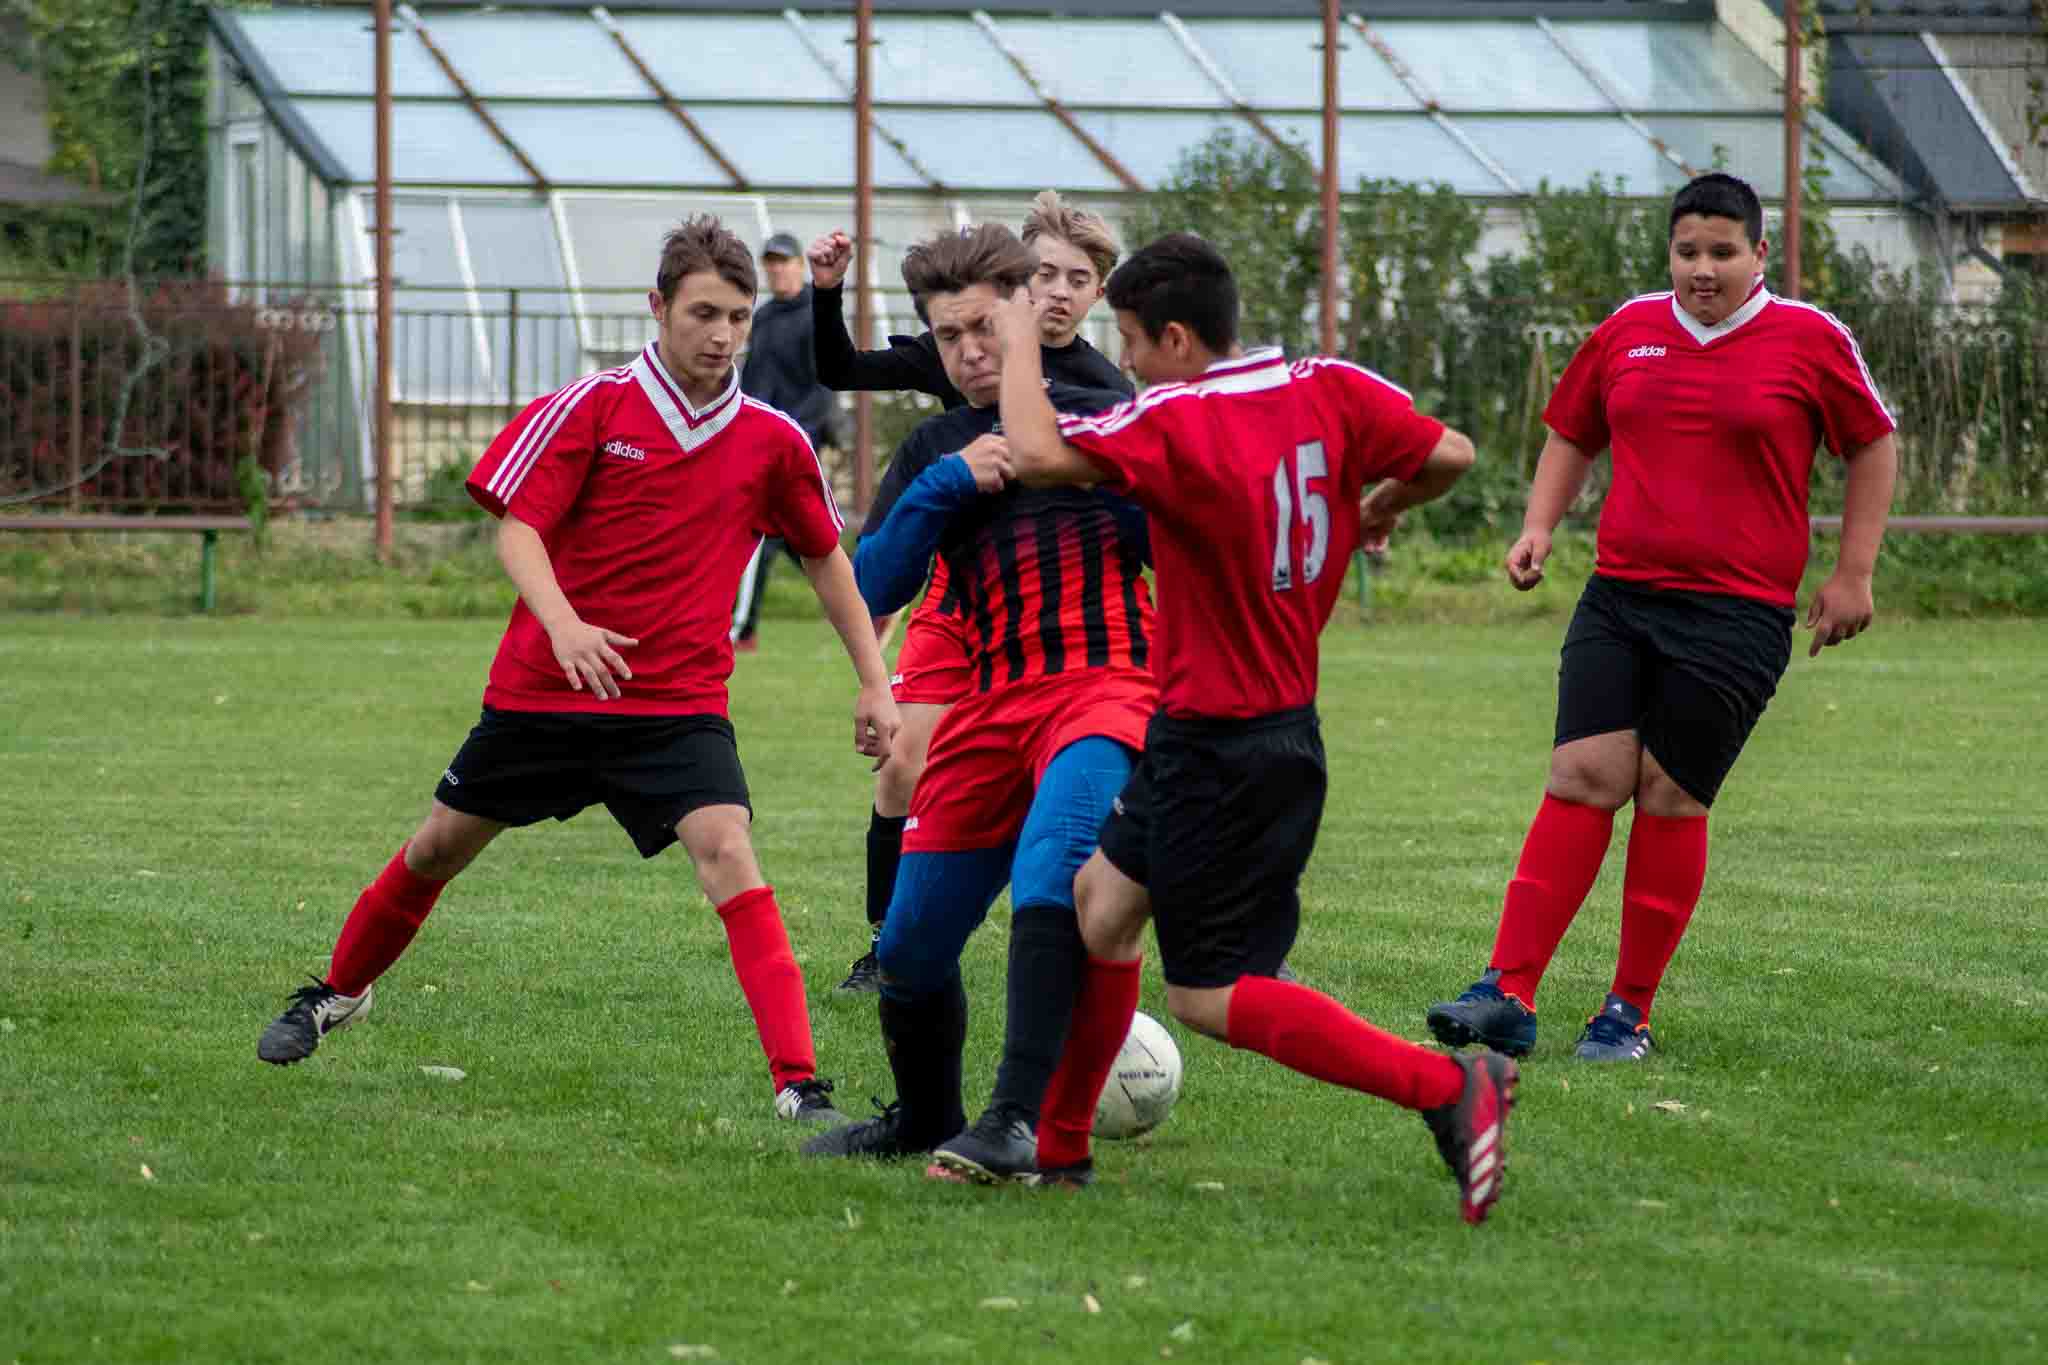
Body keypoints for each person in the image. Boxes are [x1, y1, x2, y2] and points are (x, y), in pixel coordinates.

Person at [256, 216, 902, 1127]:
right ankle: (338, 991)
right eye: (703, 313)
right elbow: (516, 526)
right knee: (438, 845)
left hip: (676, 707)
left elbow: (827, 556)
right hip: (544, 692)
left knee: (729, 852)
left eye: (738, 317)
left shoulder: (773, 440)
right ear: (657, 308)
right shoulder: (592, 408)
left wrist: (875, 679)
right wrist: (563, 626)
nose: (721, 336)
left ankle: (798, 1084)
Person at [978, 232, 1517, 1225]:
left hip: (1223, 751)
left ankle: (1447, 1091)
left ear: (1176, 337)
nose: (1128, 363)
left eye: (1132, 341)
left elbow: (1038, 452)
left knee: (1208, 997)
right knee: (1098, 906)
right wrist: (1384, 501)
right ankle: (1059, 1154)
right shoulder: (1331, 386)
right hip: (1240, 730)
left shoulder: (1180, 414)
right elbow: (1451, 453)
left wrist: (1018, 340)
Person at [1423, 171, 1897, 1064]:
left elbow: (1873, 440)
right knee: (1580, 775)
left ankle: (1625, 1012)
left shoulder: (1808, 339)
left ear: (1761, 254)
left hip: (1738, 613)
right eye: (1688, 252)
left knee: (1669, 794)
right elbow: (1573, 429)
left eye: (1723, 252)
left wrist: (1853, 573)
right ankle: (1508, 993)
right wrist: (1537, 526)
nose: (1703, 269)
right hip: (1621, 596)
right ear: (1669, 254)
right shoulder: (1630, 329)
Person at [798, 223, 1151, 1179]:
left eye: (984, 328)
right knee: (909, 946)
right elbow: (868, 586)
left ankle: (1015, 1121)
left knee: (1053, 879)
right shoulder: (937, 445)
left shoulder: (1106, 413)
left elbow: (1175, 532)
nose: (969, 353)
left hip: (1104, 690)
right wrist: (949, 484)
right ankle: (924, 1114)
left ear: (1029, 311)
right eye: (948, 337)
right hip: (989, 710)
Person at [732, 231, 844, 654]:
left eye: (784, 261)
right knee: (801, 534)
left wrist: (806, 435)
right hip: (760, 440)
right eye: (771, 263)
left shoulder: (816, 313)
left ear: (800, 264)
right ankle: (863, 595)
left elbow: (824, 382)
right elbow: (754, 382)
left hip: (798, 439)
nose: (777, 269)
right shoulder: (762, 318)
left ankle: (741, 630)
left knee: (762, 530)